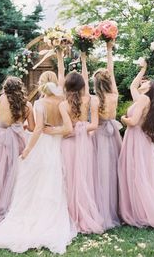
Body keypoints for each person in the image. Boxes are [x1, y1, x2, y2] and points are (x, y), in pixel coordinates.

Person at [0, 72, 76, 254]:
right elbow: (64, 128)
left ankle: (8, 208)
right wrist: (51, 132)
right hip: (58, 145)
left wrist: (29, 148)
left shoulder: (37, 103)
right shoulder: (61, 102)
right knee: (53, 179)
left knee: (31, 179)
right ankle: (51, 214)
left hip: (39, 142)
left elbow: (37, 129)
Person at [44, 56, 104, 234]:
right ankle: (82, 213)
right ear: (82, 85)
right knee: (84, 178)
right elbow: (93, 125)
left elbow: (66, 129)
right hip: (85, 144)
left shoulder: (64, 104)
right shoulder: (91, 100)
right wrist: (81, 127)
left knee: (68, 180)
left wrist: (52, 131)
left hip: (69, 144)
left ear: (67, 86)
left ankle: (70, 215)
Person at [118, 59, 154, 227]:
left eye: (147, 82)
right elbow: (132, 86)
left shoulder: (144, 99)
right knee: (138, 173)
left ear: (150, 88)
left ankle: (140, 211)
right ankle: (137, 209)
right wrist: (143, 69)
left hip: (136, 138)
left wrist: (123, 118)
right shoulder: (144, 99)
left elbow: (134, 121)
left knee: (136, 173)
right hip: (139, 139)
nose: (144, 82)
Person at [0, 76, 34, 228]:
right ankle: (14, 206)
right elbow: (33, 128)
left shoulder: (1, 99)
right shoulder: (27, 105)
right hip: (17, 140)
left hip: (0, 139)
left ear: (6, 88)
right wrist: (23, 125)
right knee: (15, 174)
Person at [92, 40, 122, 230]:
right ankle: (116, 207)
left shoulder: (96, 99)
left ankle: (101, 208)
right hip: (114, 137)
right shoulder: (115, 95)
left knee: (99, 172)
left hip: (99, 136)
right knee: (114, 172)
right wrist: (109, 51)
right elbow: (111, 73)